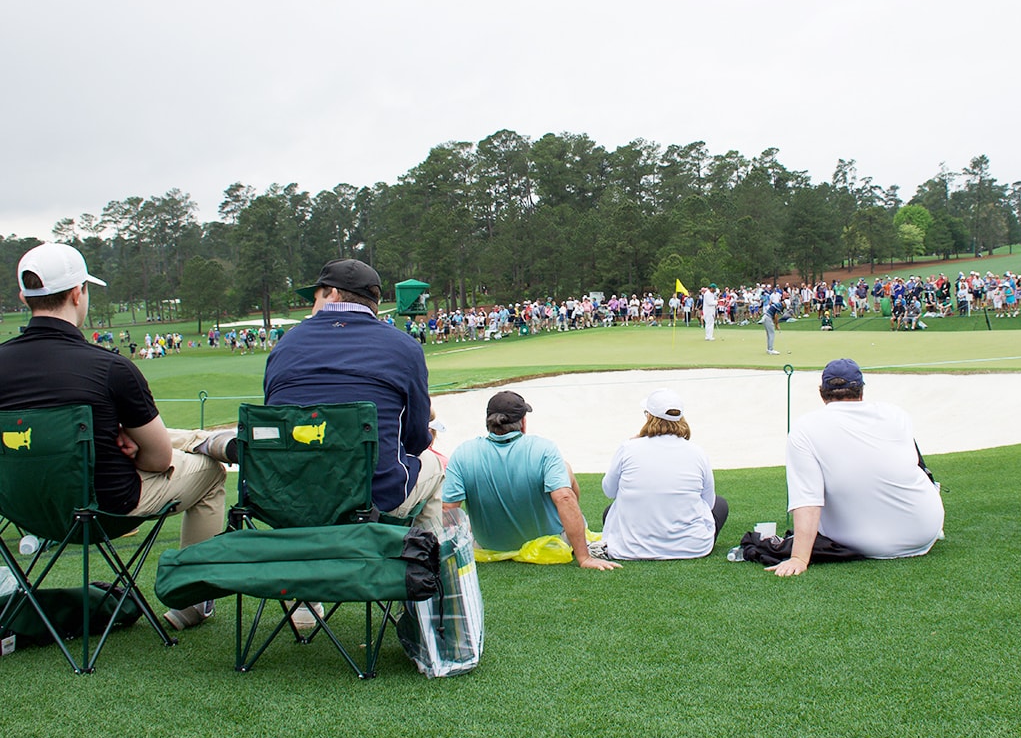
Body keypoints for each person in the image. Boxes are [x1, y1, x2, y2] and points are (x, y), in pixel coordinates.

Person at [0, 243, 227, 630]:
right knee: (211, 474)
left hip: (23, 512)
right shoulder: (110, 367)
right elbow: (158, 462)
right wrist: (132, 448)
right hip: (104, 511)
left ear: (25, 297)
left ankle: (201, 439)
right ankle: (191, 602)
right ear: (77, 293)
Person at [264, 259, 443, 534]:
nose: (312, 308)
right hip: (372, 498)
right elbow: (416, 440)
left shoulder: (286, 344)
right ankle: (428, 566)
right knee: (435, 465)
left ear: (332, 294)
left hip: (289, 495)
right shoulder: (404, 347)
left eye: (315, 299)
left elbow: (276, 419)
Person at [768, 359, 944, 576]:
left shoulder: (805, 428)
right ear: (860, 391)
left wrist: (799, 558)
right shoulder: (896, 414)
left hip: (863, 542)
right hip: (926, 530)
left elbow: (807, 499)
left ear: (822, 393)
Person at [442, 391, 618, 571]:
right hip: (550, 542)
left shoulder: (463, 453)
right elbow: (564, 497)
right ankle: (571, 528)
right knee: (565, 468)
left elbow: (448, 508)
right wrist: (584, 558)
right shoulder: (544, 449)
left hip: (488, 545)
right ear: (523, 423)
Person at [598, 389, 728, 560]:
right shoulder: (697, 452)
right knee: (720, 504)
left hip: (630, 548)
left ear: (649, 416)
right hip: (693, 547)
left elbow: (609, 491)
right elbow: (709, 502)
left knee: (610, 511)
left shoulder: (628, 448)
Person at [760, 289, 781, 354]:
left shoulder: (777, 304)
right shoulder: (779, 306)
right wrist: (777, 325)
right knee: (771, 334)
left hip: (766, 317)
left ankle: (769, 349)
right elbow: (776, 316)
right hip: (768, 318)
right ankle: (770, 349)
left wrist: (776, 324)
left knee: (769, 334)